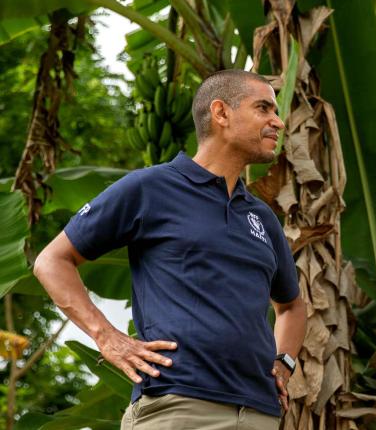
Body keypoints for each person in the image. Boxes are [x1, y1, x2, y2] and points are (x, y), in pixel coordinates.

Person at [33, 69, 307, 429]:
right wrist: (108, 338)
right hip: (178, 407)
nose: (278, 121)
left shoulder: (261, 217)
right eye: (264, 109)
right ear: (221, 113)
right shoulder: (151, 188)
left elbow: (291, 306)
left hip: (259, 413)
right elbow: (51, 260)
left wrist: (283, 364)